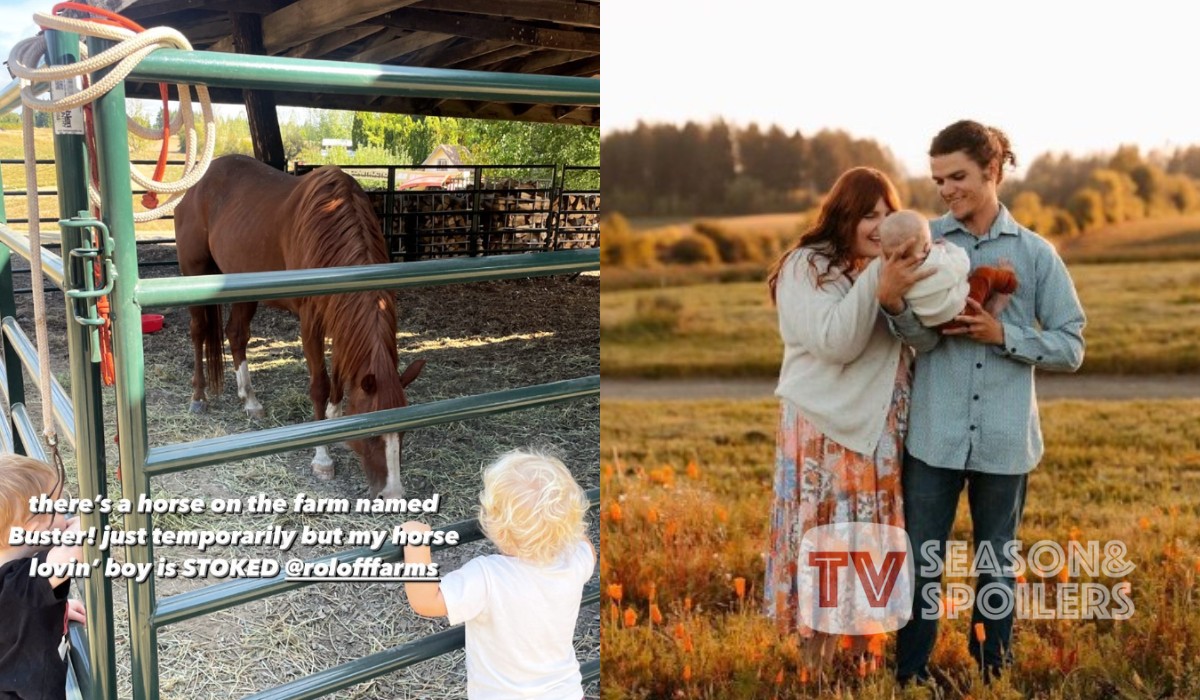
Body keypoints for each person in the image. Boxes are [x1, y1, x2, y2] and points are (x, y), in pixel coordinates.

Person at [882, 120, 1086, 684]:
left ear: (992, 171)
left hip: (1003, 438)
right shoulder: (926, 244)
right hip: (934, 436)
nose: (945, 189)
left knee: (996, 565)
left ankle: (992, 672)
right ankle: (911, 674)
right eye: (938, 178)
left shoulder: (1038, 254)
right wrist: (898, 308)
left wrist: (1006, 339)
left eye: (958, 176)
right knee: (923, 563)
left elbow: (1072, 345)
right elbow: (920, 341)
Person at [762, 167, 932, 672]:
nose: (879, 226)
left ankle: (862, 665)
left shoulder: (889, 266)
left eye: (887, 214)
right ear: (844, 215)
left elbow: (922, 334)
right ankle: (816, 667)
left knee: (870, 542)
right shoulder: (806, 266)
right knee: (826, 543)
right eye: (868, 214)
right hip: (824, 429)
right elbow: (837, 342)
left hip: (880, 429)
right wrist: (878, 279)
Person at [402, 450, 594, 699]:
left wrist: (415, 543)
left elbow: (426, 601)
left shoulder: (488, 576)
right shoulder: (574, 560)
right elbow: (588, 547)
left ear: (496, 527)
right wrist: (564, 524)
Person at [0, 455, 88, 700]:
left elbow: (15, 617)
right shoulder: (22, 583)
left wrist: (53, 610)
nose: (66, 513)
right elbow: (79, 545)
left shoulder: (23, 591)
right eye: (59, 507)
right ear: (36, 530)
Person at [878, 210, 1019, 329]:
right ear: (928, 246)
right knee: (984, 273)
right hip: (964, 313)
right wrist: (949, 247)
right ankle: (1009, 283)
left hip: (936, 326)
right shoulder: (937, 261)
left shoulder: (893, 277)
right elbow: (963, 264)